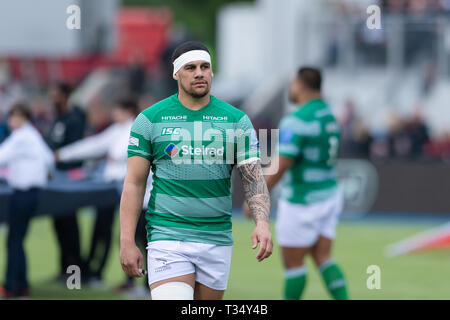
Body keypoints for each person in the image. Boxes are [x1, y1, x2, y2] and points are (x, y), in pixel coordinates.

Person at [120, 41, 272, 300]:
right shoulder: (150, 120)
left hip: (217, 239)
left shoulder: (236, 120)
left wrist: (262, 223)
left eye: (205, 67)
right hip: (168, 237)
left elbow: (254, 177)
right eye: (190, 67)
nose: (199, 72)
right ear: (176, 74)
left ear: (212, 72)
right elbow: (134, 183)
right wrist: (126, 240)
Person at [245, 67, 349, 300]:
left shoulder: (297, 119)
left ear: (300, 86)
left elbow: (282, 164)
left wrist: (257, 195)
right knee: (323, 257)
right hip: (330, 194)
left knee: (293, 263)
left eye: (293, 83)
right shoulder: (329, 115)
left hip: (303, 201)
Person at [55, 99, 140, 287]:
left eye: (117, 109)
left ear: (128, 110)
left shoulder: (135, 129)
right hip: (109, 189)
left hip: (125, 190)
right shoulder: (116, 130)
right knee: (102, 230)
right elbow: (93, 145)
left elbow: (123, 155)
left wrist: (114, 158)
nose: (113, 113)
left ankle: (129, 279)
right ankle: (94, 272)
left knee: (129, 235)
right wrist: (63, 154)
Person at [0, 103, 54, 298]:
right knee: (17, 239)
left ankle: (11, 286)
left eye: (12, 117)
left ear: (21, 118)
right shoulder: (34, 135)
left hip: (22, 193)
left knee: (13, 239)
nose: (10, 121)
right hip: (33, 193)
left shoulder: (21, 136)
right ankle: (21, 285)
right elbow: (49, 159)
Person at [45, 81, 86, 283]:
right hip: (54, 179)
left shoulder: (74, 119)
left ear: (65, 95)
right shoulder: (56, 119)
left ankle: (75, 276)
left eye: (55, 92)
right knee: (59, 225)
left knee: (70, 227)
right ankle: (63, 271)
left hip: (68, 180)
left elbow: (76, 151)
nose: (52, 96)